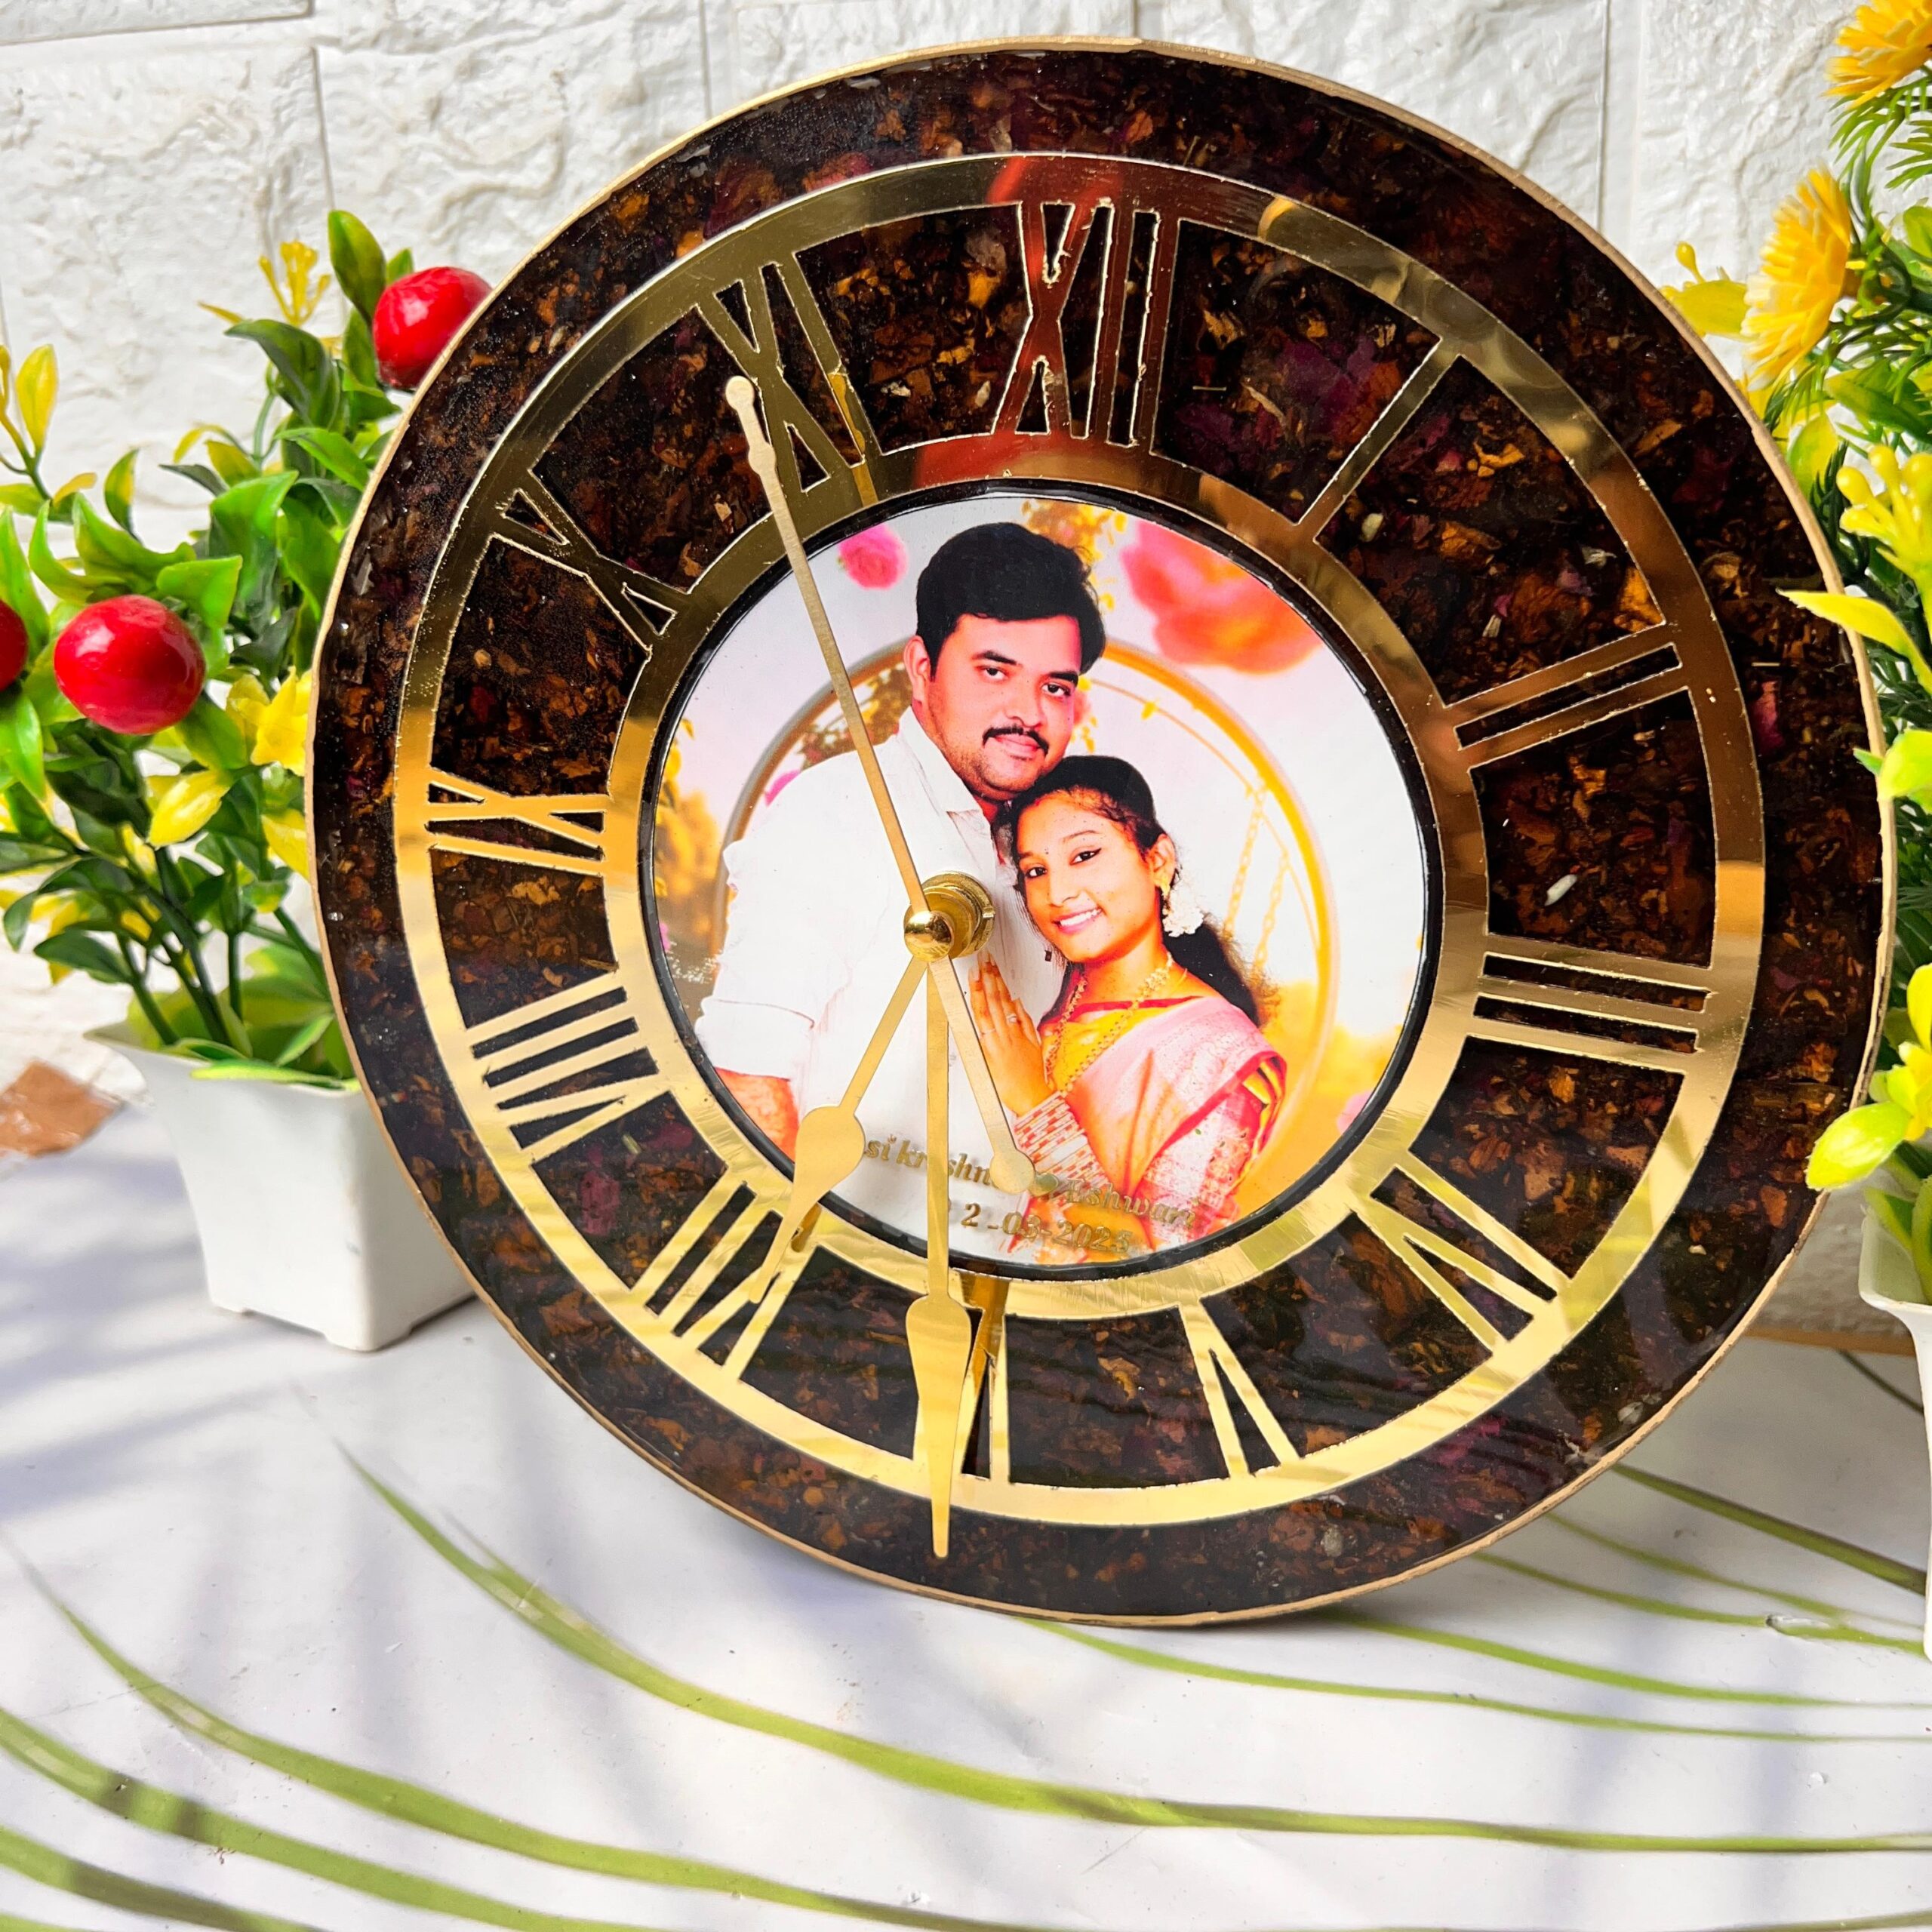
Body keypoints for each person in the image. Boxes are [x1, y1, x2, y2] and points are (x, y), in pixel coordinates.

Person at [694, 521, 1106, 1256]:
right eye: (994, 671)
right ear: (922, 667)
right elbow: (745, 1077)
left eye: (1055, 686)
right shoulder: (839, 810)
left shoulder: (1042, 846)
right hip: (871, 1276)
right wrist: (826, 1276)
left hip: (1017, 1273)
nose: (1028, 712)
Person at [971, 756, 1285, 1258]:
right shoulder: (1047, 992)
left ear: (1157, 861)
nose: (1058, 893)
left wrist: (1037, 1106)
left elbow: (1150, 1266)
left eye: (1084, 855)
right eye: (1036, 871)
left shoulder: (1220, 1057)